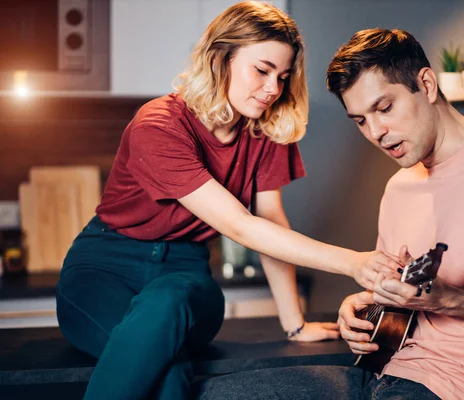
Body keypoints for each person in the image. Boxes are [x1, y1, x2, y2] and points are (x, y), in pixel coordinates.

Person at [197, 28, 464, 400]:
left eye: (384, 107)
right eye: (360, 120)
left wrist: (453, 301)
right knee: (212, 393)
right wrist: (363, 311)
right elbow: (400, 305)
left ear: (425, 84)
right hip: (385, 375)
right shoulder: (399, 186)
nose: (375, 132)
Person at [55, 4, 401, 400]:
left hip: (185, 275)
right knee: (168, 371)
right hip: (102, 270)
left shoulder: (266, 129)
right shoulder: (158, 125)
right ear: (221, 58)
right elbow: (240, 226)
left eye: (283, 77)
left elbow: (271, 222)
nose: (273, 89)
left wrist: (295, 323)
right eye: (262, 70)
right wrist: (354, 261)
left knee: (170, 300)